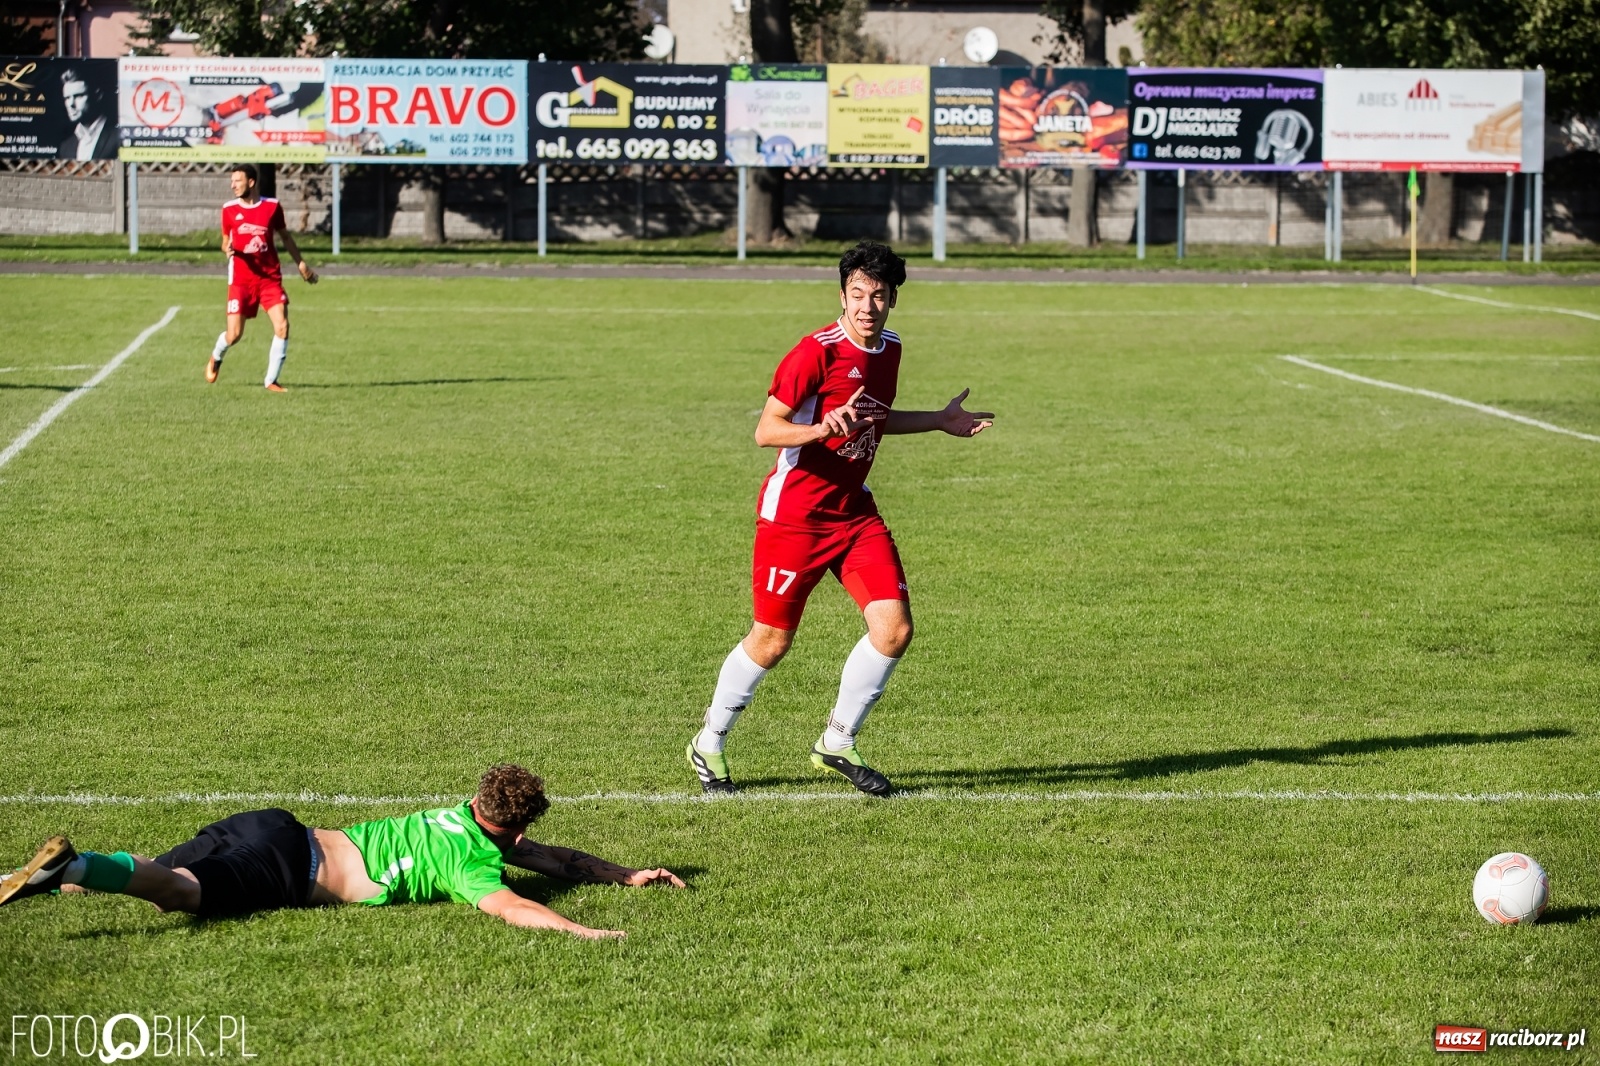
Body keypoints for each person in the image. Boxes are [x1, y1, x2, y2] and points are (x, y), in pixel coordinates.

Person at [686, 241, 994, 797]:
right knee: (772, 641)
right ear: (842, 294)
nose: (867, 306)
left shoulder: (891, 348)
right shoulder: (814, 353)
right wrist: (822, 429)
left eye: (878, 295)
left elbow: (873, 420)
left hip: (854, 512)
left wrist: (938, 421)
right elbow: (767, 431)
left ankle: (836, 741)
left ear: (893, 298)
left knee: (894, 629)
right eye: (857, 294)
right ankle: (708, 742)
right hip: (795, 517)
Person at [0, 764, 683, 939]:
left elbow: (550, 859)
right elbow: (512, 907)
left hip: (269, 824)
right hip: (289, 868)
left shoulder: (453, 818)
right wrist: (583, 928)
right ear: (509, 826)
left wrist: (623, 874)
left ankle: (46, 877)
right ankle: (79, 865)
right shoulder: (470, 864)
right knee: (180, 891)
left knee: (156, 867)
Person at [207, 163, 318, 392]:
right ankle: (216, 356)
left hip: (269, 279)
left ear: (251, 182)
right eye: (232, 181)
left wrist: (301, 263)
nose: (233, 185)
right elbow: (225, 240)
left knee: (282, 326)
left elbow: (285, 237)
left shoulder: (272, 207)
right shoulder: (228, 209)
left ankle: (271, 380)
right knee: (234, 334)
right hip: (240, 280)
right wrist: (227, 248)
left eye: (238, 181)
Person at [56, 67, 114, 160]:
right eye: (67, 98)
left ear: (98, 95)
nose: (70, 104)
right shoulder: (66, 147)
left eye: (78, 96)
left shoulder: (118, 136)